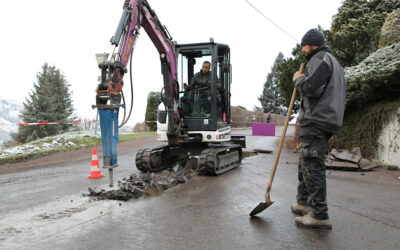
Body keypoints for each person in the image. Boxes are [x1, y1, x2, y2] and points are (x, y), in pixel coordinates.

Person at [291, 29, 346, 229]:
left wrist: (298, 79)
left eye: (304, 45)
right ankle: (303, 202)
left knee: (312, 166)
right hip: (326, 118)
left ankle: (319, 214)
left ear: (313, 44)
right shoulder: (333, 62)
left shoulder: (319, 58)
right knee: (306, 163)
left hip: (316, 120)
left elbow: (312, 88)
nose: (302, 49)